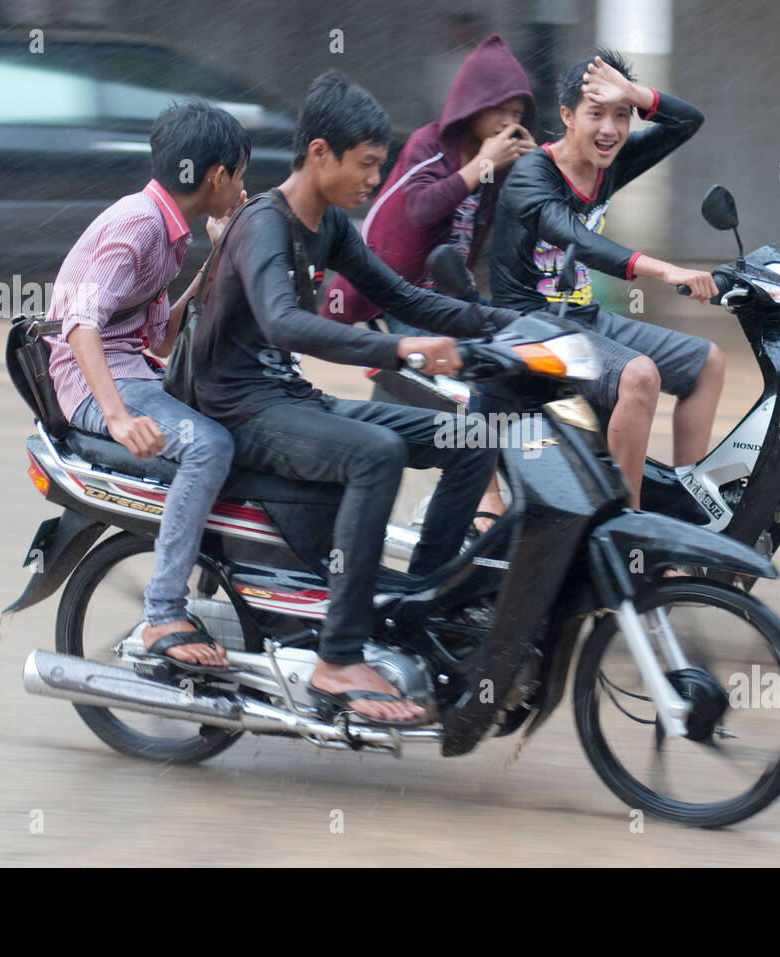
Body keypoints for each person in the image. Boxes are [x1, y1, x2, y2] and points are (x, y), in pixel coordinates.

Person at [193, 71, 522, 727]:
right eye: (368, 164)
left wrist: (506, 325)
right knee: (377, 453)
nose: (377, 179)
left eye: (380, 164)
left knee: (474, 437)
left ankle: (422, 601)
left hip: (288, 398)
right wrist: (398, 350)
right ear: (320, 153)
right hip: (242, 410)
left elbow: (402, 296)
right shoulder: (265, 223)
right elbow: (285, 322)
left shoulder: (333, 227)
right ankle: (338, 657)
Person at [45, 100, 248, 671]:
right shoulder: (138, 223)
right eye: (239, 176)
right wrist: (117, 417)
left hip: (131, 367)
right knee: (209, 445)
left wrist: (217, 255)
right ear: (215, 176)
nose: (241, 190)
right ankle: (163, 611)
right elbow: (81, 323)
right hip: (93, 384)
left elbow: (159, 342)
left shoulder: (170, 229)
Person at [491, 49, 725, 508]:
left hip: (584, 319)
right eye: (596, 114)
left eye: (622, 116)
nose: (611, 129)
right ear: (567, 116)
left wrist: (637, 94)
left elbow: (689, 121)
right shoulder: (531, 175)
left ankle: (685, 508)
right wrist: (663, 269)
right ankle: (630, 526)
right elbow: (578, 238)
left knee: (707, 362)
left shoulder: (609, 162)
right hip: (529, 327)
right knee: (640, 376)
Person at [322, 34, 537, 532]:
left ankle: (355, 508)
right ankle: (484, 503)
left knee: (421, 399)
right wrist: (482, 164)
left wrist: (530, 165)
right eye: (499, 109)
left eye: (517, 111)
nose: (509, 121)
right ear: (473, 106)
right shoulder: (431, 144)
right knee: (465, 386)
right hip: (399, 287)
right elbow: (420, 209)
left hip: (446, 292)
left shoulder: (500, 163)